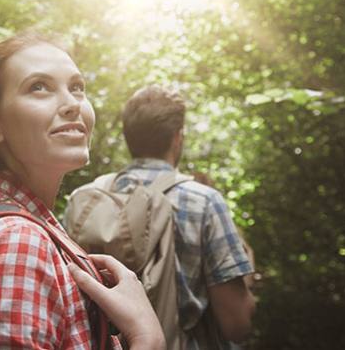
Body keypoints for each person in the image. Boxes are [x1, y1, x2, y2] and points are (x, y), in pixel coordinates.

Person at [0, 34, 164, 350]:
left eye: (76, 88)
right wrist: (147, 338)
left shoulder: (15, 229)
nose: (73, 104)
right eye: (39, 87)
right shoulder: (16, 242)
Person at [81, 85, 257, 349]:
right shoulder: (204, 201)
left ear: (129, 137)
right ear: (178, 137)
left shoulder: (85, 198)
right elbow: (237, 324)